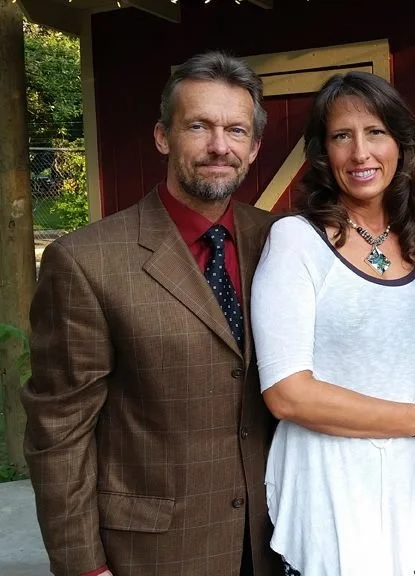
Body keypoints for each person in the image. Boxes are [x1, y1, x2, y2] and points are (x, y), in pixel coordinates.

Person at [22, 51, 283, 576]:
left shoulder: (279, 241)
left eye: (235, 130)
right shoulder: (86, 260)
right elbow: (59, 429)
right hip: (153, 551)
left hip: (274, 538)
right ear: (163, 137)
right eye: (198, 126)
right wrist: (81, 565)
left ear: (253, 147)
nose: (218, 146)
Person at [250, 70, 415, 576]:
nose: (360, 153)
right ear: (324, 153)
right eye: (342, 136)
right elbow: (287, 392)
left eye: (376, 133)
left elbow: (408, 343)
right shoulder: (296, 243)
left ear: (401, 144)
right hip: (337, 488)